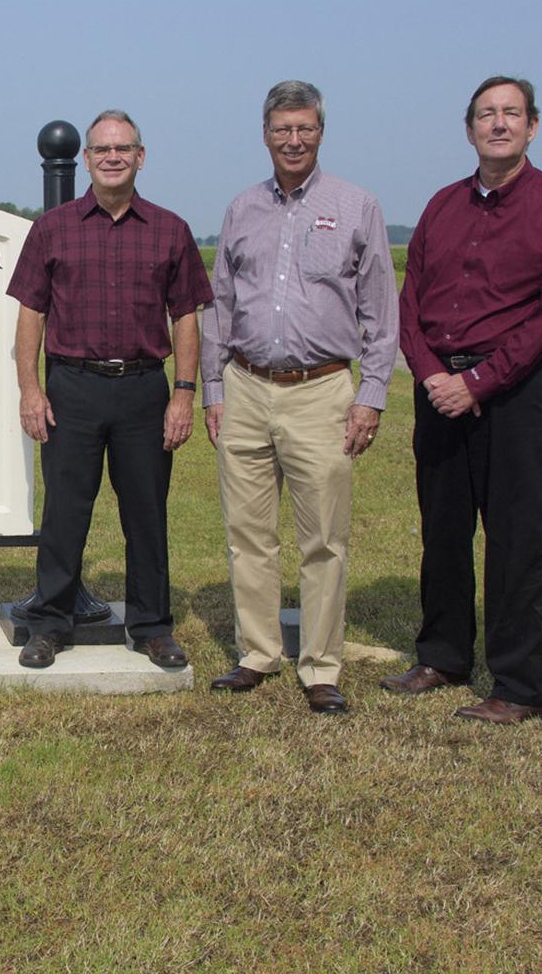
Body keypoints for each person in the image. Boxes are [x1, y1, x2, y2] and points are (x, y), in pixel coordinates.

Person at [387, 76, 542, 723]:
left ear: (531, 127)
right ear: (469, 127)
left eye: (510, 113)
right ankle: (442, 655)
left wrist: (477, 382)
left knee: (516, 539)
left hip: (516, 395)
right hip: (438, 392)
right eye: (485, 114)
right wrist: (430, 377)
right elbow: (409, 303)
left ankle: (519, 686)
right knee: (442, 532)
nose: (497, 123)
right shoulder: (441, 206)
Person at [200, 81, 398, 714]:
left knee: (324, 539)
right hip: (246, 388)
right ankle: (257, 652)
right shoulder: (241, 208)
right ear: (265, 134)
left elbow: (380, 312)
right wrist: (212, 387)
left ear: (320, 133)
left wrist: (370, 396)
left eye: (305, 129)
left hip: (322, 391)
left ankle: (320, 666)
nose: (293, 140)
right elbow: (220, 304)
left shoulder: (356, 205)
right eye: (282, 129)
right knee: (248, 534)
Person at [6, 109, 212, 669]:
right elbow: (31, 313)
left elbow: (186, 317)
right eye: (101, 150)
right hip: (71, 388)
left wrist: (184, 393)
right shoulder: (53, 228)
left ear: (141, 157)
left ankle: (151, 626)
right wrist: (31, 390)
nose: (113, 157)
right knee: (65, 513)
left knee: (146, 513)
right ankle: (50, 622)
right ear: (88, 159)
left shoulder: (170, 230)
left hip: (144, 389)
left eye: (123, 149)